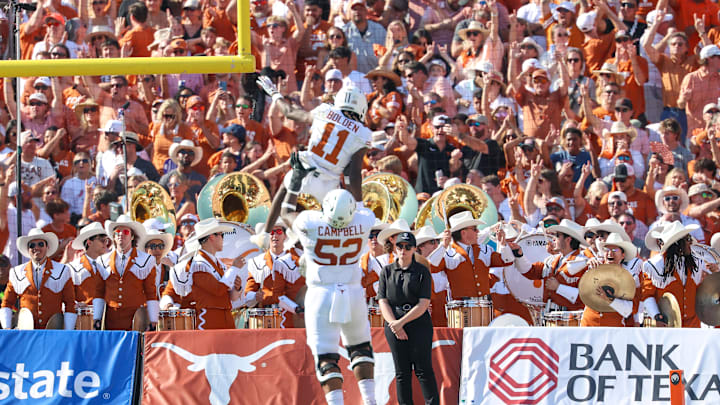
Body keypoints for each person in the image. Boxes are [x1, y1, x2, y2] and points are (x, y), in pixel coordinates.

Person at [280, 160, 376, 405]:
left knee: (326, 357)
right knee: (361, 349)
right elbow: (357, 195)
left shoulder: (311, 223)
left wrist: (296, 181)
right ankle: (371, 401)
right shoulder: (363, 221)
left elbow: (286, 211)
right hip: (353, 292)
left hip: (321, 294)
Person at [254, 77, 371, 248]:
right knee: (328, 224)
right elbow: (352, 173)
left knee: (285, 190)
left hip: (306, 169)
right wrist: (359, 204)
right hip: (328, 185)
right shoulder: (363, 134)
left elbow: (289, 113)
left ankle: (265, 233)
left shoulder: (324, 111)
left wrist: (274, 93)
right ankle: (316, 247)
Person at [377, 231, 439, 405]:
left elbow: (423, 302)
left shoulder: (422, 271)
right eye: (400, 246)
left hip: (418, 322)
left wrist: (400, 323)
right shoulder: (387, 271)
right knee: (402, 372)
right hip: (394, 321)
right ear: (395, 248)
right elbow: (383, 300)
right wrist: (394, 324)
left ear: (413, 249)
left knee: (423, 369)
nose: (403, 250)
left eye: (407, 247)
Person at [171, 218, 245, 329]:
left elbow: (232, 297)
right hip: (208, 321)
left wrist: (237, 288)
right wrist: (234, 268)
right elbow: (218, 290)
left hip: (225, 319)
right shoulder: (198, 265)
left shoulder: (218, 263)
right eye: (221, 235)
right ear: (211, 237)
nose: (222, 239)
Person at [1, 229, 77, 330]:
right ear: (28, 249)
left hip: (54, 330)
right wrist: (6, 328)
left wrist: (68, 331)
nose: (36, 248)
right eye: (32, 245)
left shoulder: (63, 270)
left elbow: (70, 303)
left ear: (47, 247)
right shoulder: (16, 272)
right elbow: (7, 302)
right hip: (26, 331)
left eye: (40, 244)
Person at [93, 215, 159, 331]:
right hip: (110, 319)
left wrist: (153, 320)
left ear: (132, 236)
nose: (121, 234)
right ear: (113, 237)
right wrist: (97, 317)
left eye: (125, 232)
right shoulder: (102, 260)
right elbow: (99, 292)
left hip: (136, 318)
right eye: (117, 232)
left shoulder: (146, 260)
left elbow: (150, 292)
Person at [641, 221, 709, 328]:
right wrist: (656, 316)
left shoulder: (697, 261)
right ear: (677, 243)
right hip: (667, 325)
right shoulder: (653, 265)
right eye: (687, 239)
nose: (691, 242)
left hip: (693, 325)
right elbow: (647, 295)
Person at [581, 233, 641, 327]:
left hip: (613, 329)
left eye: (615, 250)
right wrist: (585, 262)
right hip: (588, 325)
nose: (610, 253)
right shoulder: (594, 268)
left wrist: (610, 300)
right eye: (607, 249)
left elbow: (629, 309)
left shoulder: (631, 277)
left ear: (623, 255)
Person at [68, 222, 109, 306]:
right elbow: (67, 297)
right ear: (89, 243)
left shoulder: (110, 264)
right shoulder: (72, 268)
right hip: (85, 317)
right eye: (102, 240)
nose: (105, 243)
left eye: (106, 240)